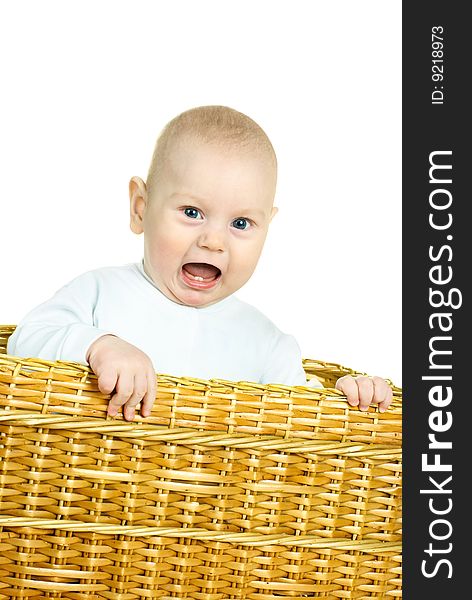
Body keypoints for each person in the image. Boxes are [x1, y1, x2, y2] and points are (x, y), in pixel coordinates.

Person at [7, 105, 393, 421]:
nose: (213, 241)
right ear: (140, 208)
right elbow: (25, 342)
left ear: (267, 228)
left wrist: (347, 396)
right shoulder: (99, 293)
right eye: (192, 212)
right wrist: (99, 345)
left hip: (214, 509)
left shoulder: (267, 345)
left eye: (241, 223)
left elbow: (300, 414)